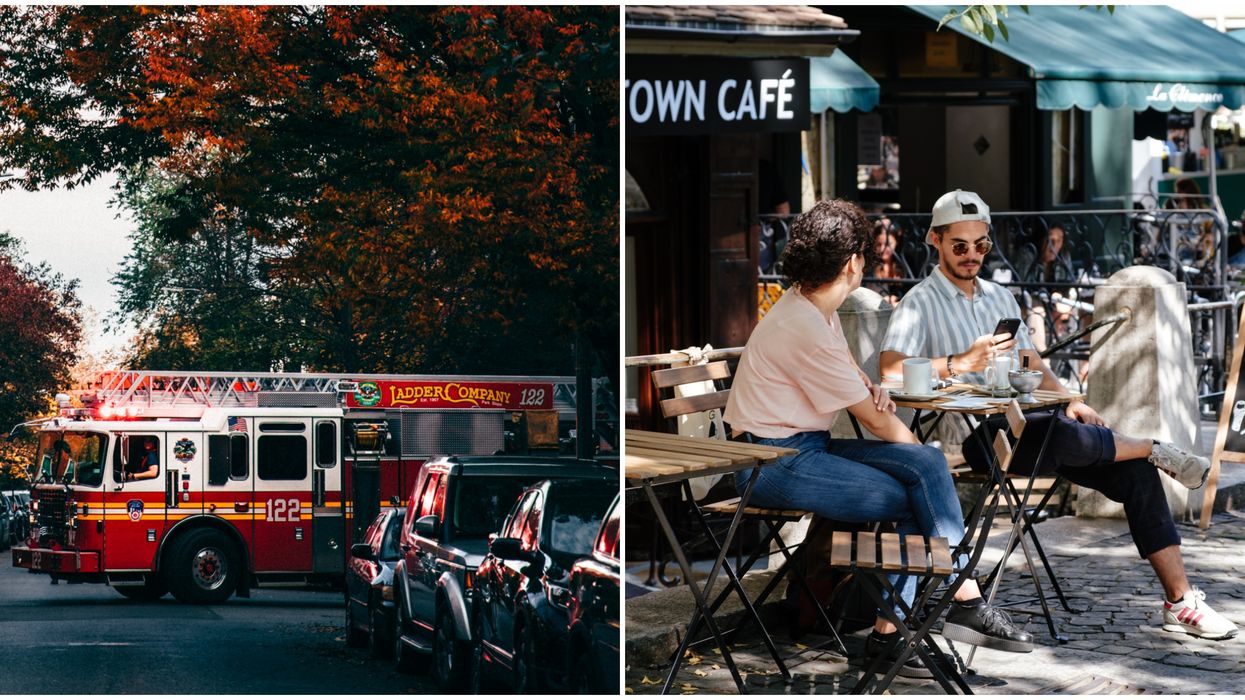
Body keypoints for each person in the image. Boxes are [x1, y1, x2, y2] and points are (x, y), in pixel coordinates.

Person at [879, 189, 1238, 641]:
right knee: (1073, 437)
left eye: (982, 244)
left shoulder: (998, 297)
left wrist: (1070, 397)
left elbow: (1031, 363)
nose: (972, 255)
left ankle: (1181, 602)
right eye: (960, 246)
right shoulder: (918, 302)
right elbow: (889, 370)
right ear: (935, 240)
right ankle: (1152, 445)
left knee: (1133, 472)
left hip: (1030, 427)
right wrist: (959, 362)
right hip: (971, 439)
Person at [723, 199, 1033, 678]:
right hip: (771, 463)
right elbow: (875, 422)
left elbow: (857, 384)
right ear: (851, 263)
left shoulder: (814, 307)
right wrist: (902, 440)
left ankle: (909, 628)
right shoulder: (804, 325)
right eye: (865, 256)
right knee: (915, 488)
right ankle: (950, 602)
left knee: (926, 465)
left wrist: (872, 393)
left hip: (802, 447)